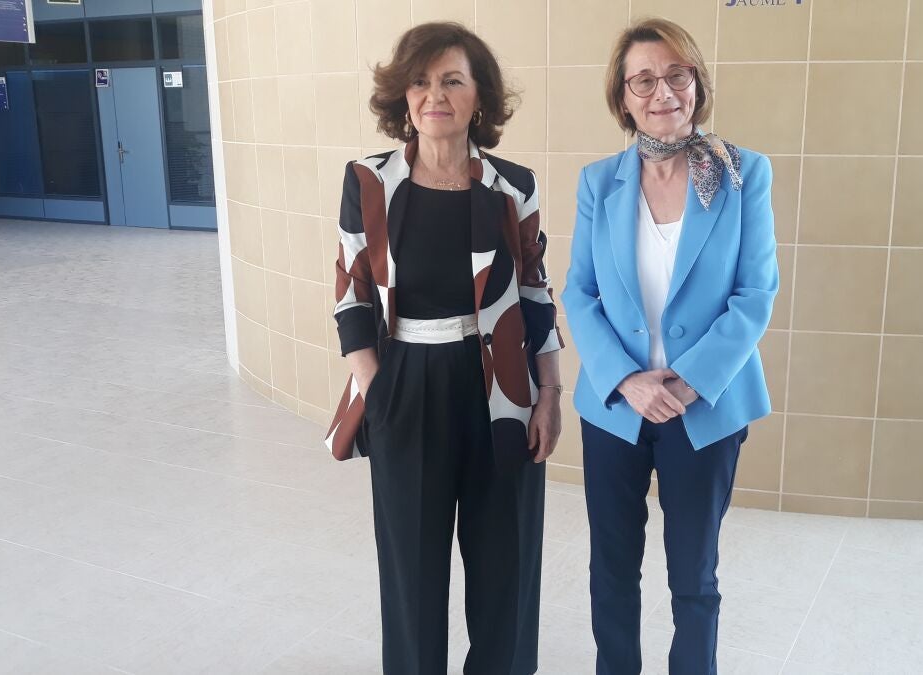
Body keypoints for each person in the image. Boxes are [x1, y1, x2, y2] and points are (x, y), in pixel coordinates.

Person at [322, 22, 563, 675]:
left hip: (504, 390)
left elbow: (536, 292)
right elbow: (351, 297)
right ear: (403, 96)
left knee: (506, 569)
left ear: (478, 96)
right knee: (414, 574)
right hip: (406, 382)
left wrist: (550, 393)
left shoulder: (513, 185)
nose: (436, 95)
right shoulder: (369, 181)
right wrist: (379, 393)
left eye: (453, 80)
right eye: (422, 82)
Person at [560, 17, 779, 675]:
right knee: (611, 570)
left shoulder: (741, 174)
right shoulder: (599, 182)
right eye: (644, 79)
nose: (663, 91)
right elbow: (579, 292)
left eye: (676, 74)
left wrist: (687, 381)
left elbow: (755, 292)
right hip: (616, 407)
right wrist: (627, 380)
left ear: (697, 83)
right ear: (622, 96)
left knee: (694, 575)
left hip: (704, 406)